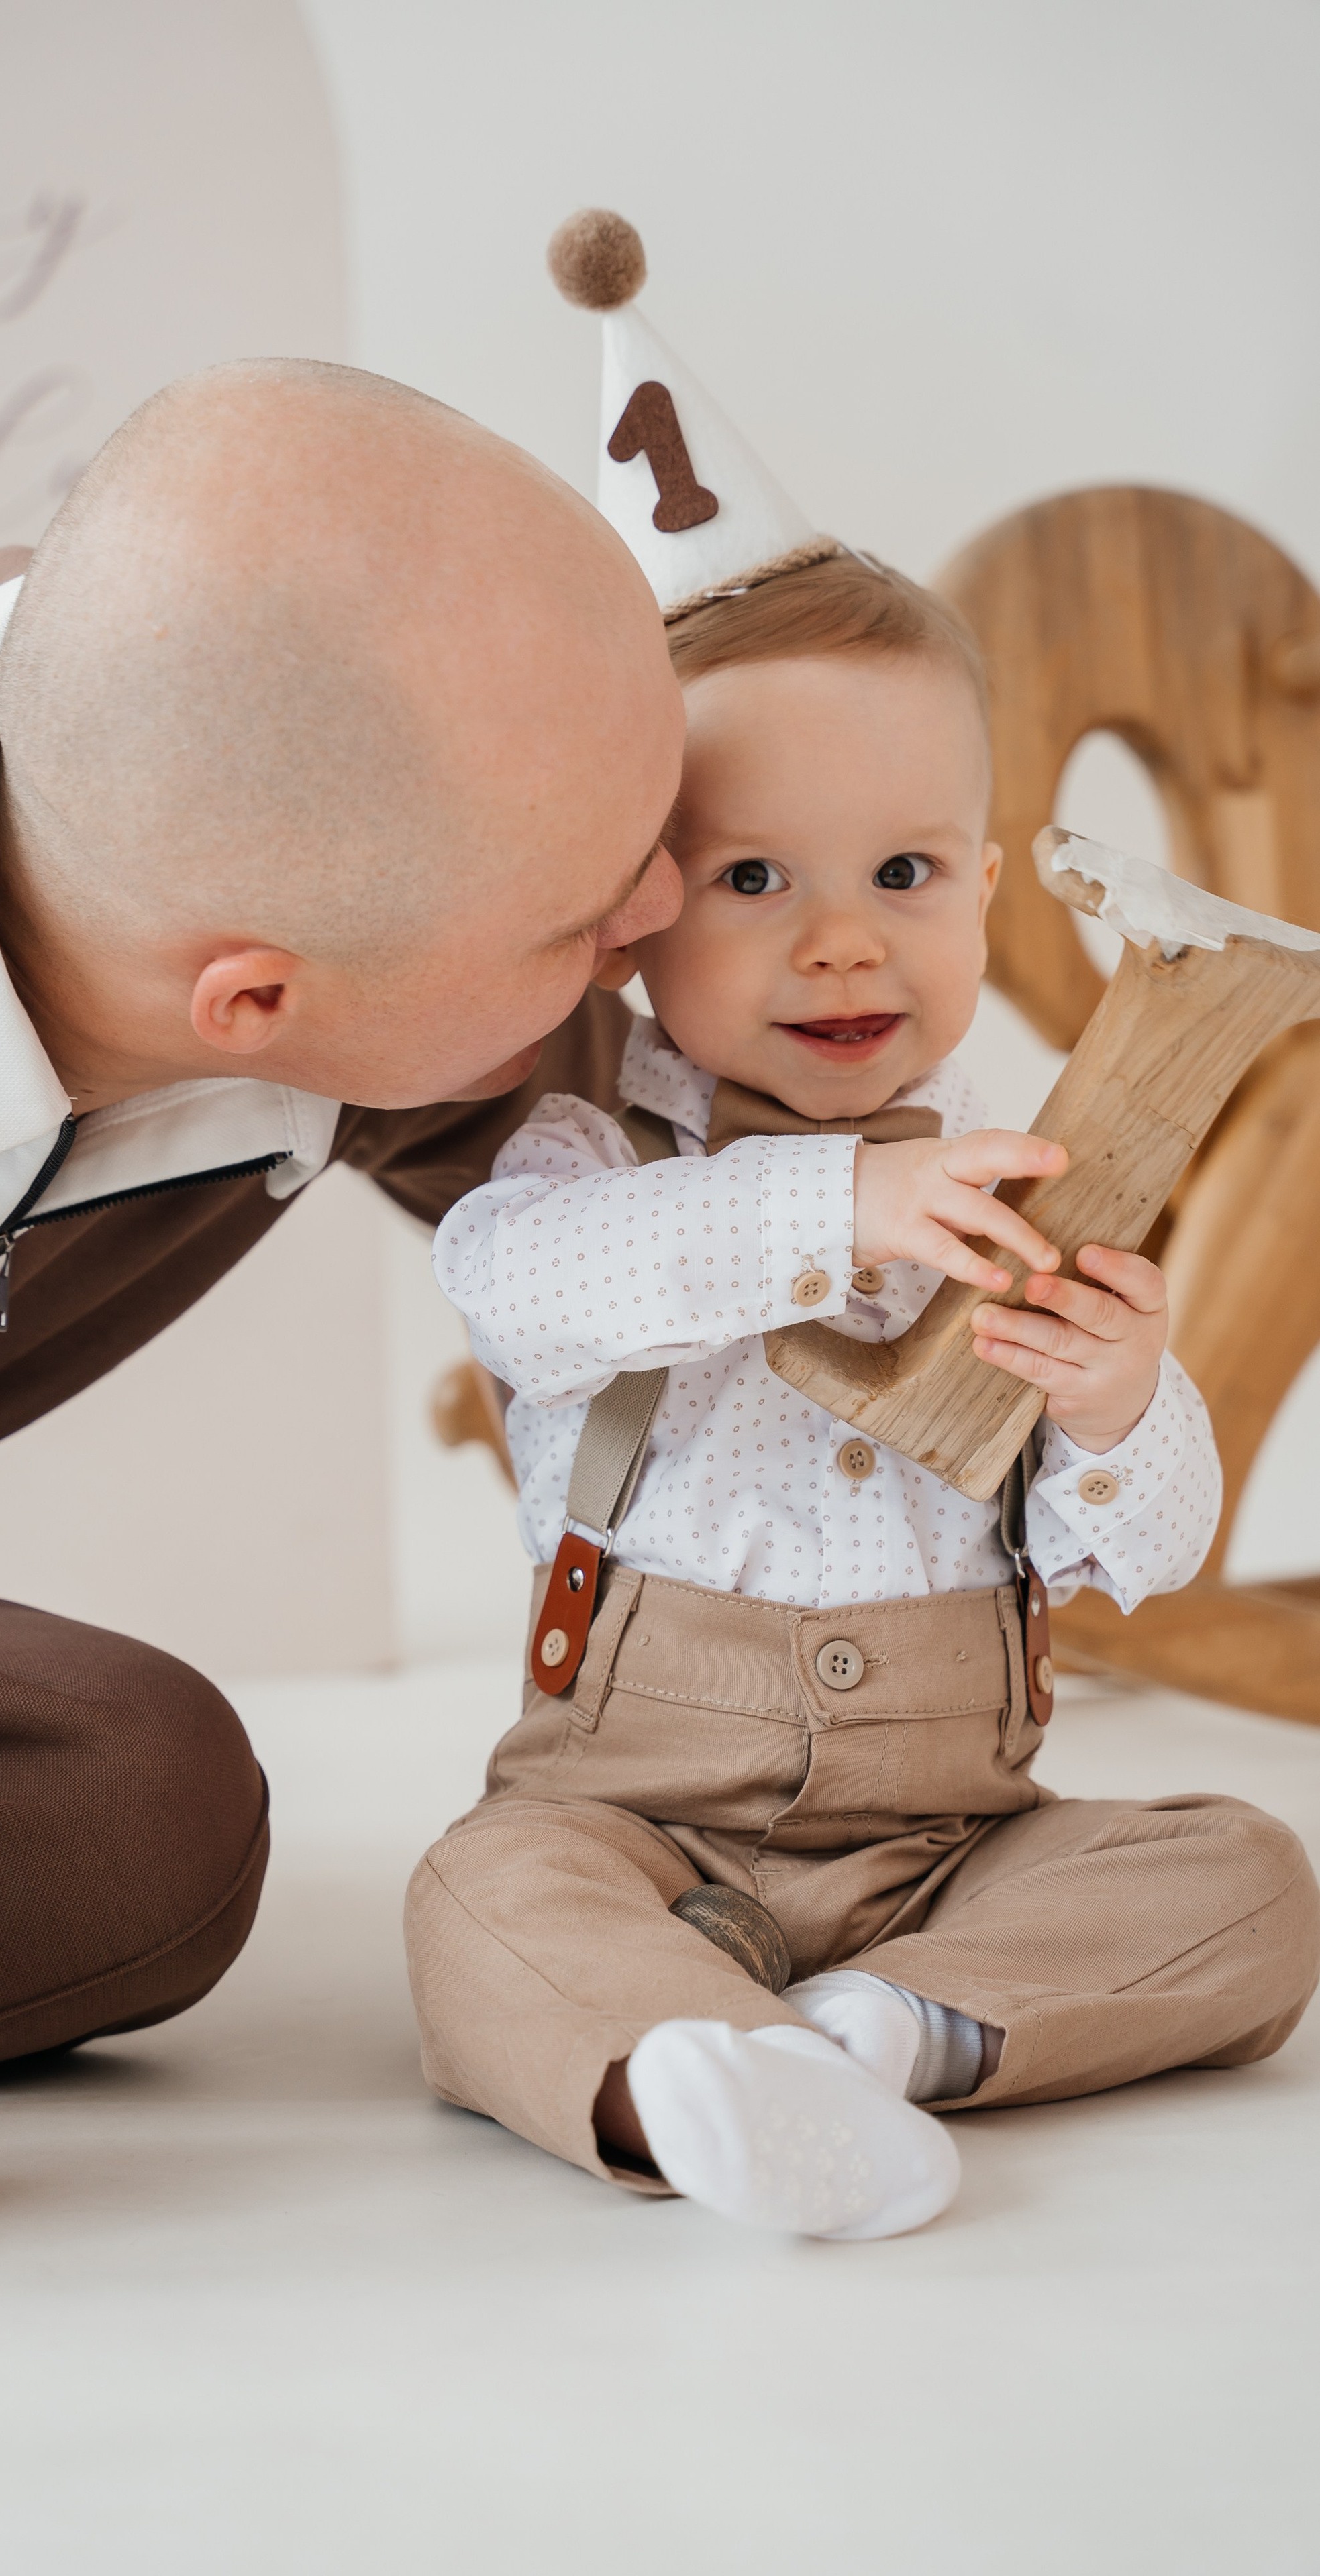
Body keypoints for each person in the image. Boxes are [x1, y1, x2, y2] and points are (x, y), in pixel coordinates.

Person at [0, 358, 686, 2086]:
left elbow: (735, 1231)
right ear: (246, 1000)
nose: (666, 913)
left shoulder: (378, 939)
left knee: (135, 1806)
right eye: (588, 918)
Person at [407, 214, 1320, 2239]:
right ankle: (675, 2066)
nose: (841, 938)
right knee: (481, 1900)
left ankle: (880, 2038)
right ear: (635, 909)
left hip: (955, 1843)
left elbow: (1146, 1566)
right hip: (634, 1820)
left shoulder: (1017, 1172)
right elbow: (519, 1294)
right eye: (753, 880)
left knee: (1251, 1881)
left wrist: (1121, 1401)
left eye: (905, 869)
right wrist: (840, 1201)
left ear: (986, 890)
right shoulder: (596, 1171)